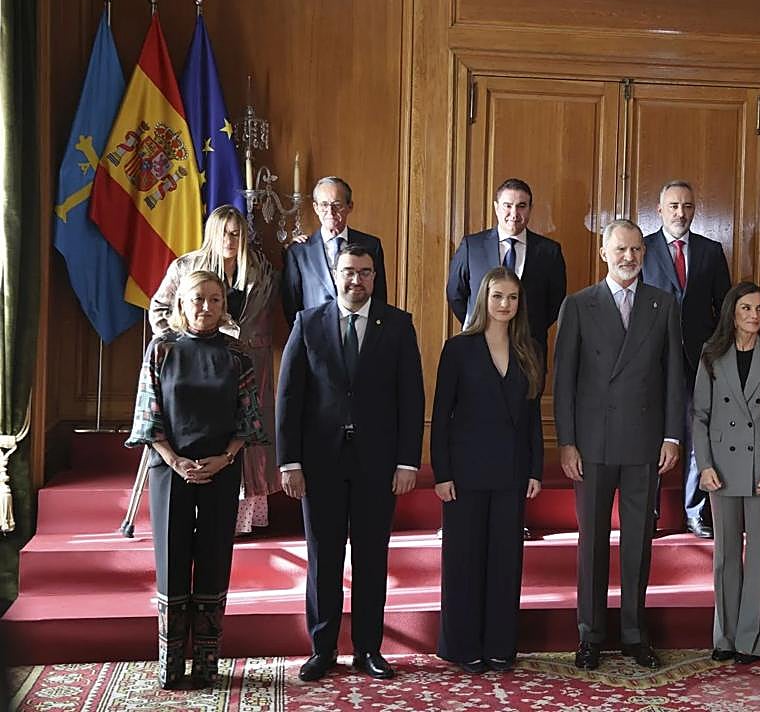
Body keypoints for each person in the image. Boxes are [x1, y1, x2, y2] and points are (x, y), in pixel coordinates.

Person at [276, 245, 425, 682]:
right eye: (348, 271)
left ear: (374, 277)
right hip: (319, 463)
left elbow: (411, 398)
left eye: (365, 272)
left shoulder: (397, 325)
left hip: (377, 463)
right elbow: (289, 397)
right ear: (335, 274)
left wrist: (407, 462)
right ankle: (322, 650)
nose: (356, 280)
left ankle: (368, 648)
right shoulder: (308, 323)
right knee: (323, 557)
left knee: (372, 557)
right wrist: (289, 462)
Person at [554, 219, 685, 670]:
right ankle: (589, 635)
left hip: (644, 442)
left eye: (636, 250)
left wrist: (671, 435)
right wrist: (567, 442)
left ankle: (634, 634)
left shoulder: (662, 303)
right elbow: (564, 381)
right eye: (621, 250)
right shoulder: (578, 304)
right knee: (591, 542)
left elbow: (673, 376)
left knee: (638, 543)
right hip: (591, 444)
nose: (629, 257)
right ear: (604, 253)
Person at [126, 270, 265, 689]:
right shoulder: (162, 349)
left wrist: (224, 459)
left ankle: (206, 664)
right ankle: (170, 666)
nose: (206, 307)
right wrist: (175, 460)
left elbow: (249, 419)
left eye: (215, 300)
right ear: (182, 304)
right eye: (198, 299)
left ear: (224, 307)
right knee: (172, 564)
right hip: (169, 469)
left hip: (222, 468)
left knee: (214, 560)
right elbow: (148, 415)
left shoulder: (237, 355)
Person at [431, 267, 544, 674]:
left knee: (504, 561)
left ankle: (500, 646)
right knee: (464, 560)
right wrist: (441, 474)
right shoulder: (458, 349)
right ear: (484, 299)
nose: (504, 304)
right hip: (464, 474)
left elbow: (532, 418)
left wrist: (535, 469)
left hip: (511, 472)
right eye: (498, 296)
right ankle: (463, 646)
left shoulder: (529, 349)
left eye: (512, 297)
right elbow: (440, 416)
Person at [149, 205, 280, 533]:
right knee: (204, 431)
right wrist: (181, 344)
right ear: (211, 234)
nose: (230, 240)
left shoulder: (260, 269)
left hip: (246, 363)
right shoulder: (187, 266)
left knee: (244, 432)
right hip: (196, 367)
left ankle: (240, 520)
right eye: (223, 233)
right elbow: (159, 309)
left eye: (236, 233)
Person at [692, 282, 760, 664]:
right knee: (725, 556)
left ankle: (752, 641)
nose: (755, 315)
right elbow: (700, 416)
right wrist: (704, 466)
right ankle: (725, 637)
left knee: (759, 557)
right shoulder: (711, 353)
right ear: (732, 313)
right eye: (747, 308)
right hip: (721, 467)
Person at [641, 180, 731, 538]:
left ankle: (696, 512)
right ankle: (647, 510)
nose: (681, 213)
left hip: (699, 360)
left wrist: (717, 354)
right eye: (674, 206)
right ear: (660, 210)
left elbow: (725, 308)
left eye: (688, 206)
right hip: (653, 359)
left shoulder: (711, 251)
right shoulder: (642, 248)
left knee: (698, 436)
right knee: (650, 434)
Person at [447, 178, 567, 361]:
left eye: (521, 206)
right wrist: (481, 322)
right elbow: (455, 294)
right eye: (508, 205)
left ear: (530, 209)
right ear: (496, 207)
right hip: (479, 348)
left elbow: (555, 302)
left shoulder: (549, 252)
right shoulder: (472, 246)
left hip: (528, 349)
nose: (514, 213)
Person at [281, 176, 388, 326]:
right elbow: (291, 305)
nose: (330, 212)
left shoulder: (371, 246)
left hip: (359, 332)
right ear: (316, 208)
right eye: (324, 205)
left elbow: (379, 299)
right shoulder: (299, 252)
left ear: (350, 206)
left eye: (337, 205)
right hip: (315, 334)